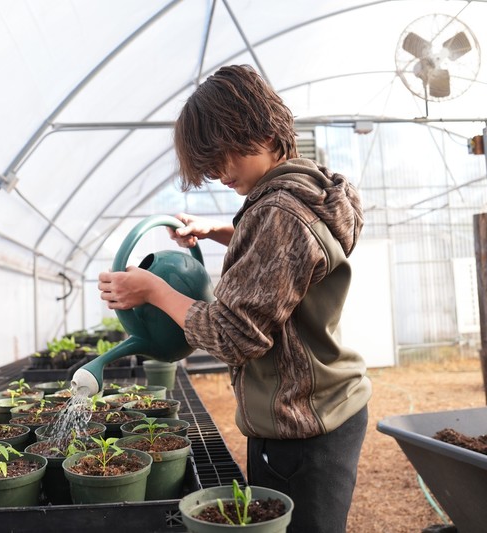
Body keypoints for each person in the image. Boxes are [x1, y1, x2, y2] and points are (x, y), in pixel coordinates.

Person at [98, 65, 371, 532]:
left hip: (301, 424)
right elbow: (296, 259)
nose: (217, 172)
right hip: (326, 407)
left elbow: (234, 335)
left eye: (221, 154)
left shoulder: (279, 213)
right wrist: (226, 230)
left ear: (259, 129)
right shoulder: (311, 190)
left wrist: (153, 290)